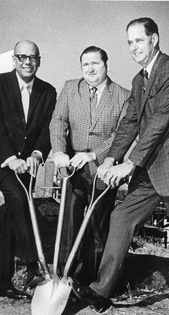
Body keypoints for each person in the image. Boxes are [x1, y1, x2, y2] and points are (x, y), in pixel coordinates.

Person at [74, 18, 169, 315]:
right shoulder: (138, 80)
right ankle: (101, 291)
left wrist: (129, 164)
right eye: (129, 42)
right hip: (150, 168)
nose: (134, 47)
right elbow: (130, 124)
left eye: (139, 41)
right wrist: (109, 160)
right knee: (121, 217)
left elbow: (159, 123)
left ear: (154, 39)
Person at [0, 40, 57, 300]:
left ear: (39, 60)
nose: (27, 62)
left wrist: (37, 153)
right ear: (14, 60)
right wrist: (10, 158)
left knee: (13, 221)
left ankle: (3, 284)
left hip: (28, 168)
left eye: (32, 57)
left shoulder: (48, 91)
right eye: (22, 57)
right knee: (19, 198)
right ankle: (33, 267)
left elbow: (46, 129)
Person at [50, 46, 130, 285]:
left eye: (96, 63)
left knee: (97, 228)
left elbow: (121, 134)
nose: (91, 69)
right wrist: (59, 152)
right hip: (73, 170)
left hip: (104, 172)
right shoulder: (69, 88)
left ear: (106, 64)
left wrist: (94, 154)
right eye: (86, 64)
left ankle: (90, 282)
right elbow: (58, 120)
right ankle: (63, 279)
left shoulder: (124, 96)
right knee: (69, 225)